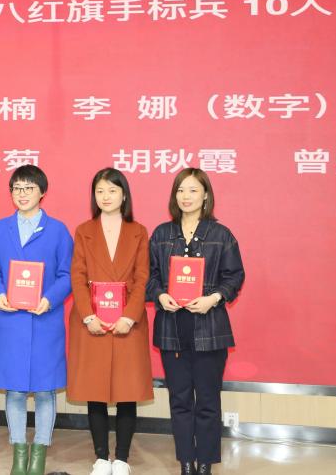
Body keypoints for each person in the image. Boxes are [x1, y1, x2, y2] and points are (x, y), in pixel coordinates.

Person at [146, 169, 245, 475]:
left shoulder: (221, 234)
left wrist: (213, 298)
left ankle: (205, 464)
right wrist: (160, 295)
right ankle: (186, 462)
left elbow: (234, 276)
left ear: (205, 195)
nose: (185, 196)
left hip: (209, 328)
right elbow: (149, 276)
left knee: (207, 400)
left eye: (192, 190)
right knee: (179, 400)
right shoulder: (162, 234)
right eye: (180, 190)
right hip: (172, 328)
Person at [0, 165, 73, 475]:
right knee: (15, 391)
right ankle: (19, 455)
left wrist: (49, 299)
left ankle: (39, 456)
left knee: (46, 391)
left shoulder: (58, 230)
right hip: (11, 321)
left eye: (29, 188)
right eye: (17, 188)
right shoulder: (0, 229)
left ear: (42, 192)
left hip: (45, 320)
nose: (22, 194)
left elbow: (67, 274)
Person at [67, 169, 153, 475]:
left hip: (128, 322)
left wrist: (129, 316)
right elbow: (77, 275)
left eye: (112, 190)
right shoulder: (84, 230)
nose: (106, 196)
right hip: (92, 322)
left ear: (124, 195)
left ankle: (122, 459)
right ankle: (102, 458)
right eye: (100, 191)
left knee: (127, 391)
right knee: (96, 390)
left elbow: (143, 277)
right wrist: (88, 315)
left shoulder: (138, 231)